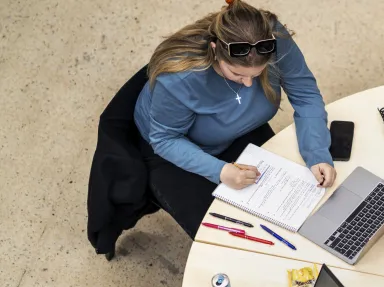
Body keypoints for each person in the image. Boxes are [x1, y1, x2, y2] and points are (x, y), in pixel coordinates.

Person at [135, 0, 337, 238]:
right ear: (214, 49)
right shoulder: (179, 78)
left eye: (258, 73)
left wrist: (316, 152)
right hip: (178, 151)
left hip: (240, 130)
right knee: (226, 237)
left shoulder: (273, 37)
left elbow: (304, 92)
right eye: (237, 74)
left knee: (296, 220)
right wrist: (220, 171)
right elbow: (165, 139)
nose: (250, 83)